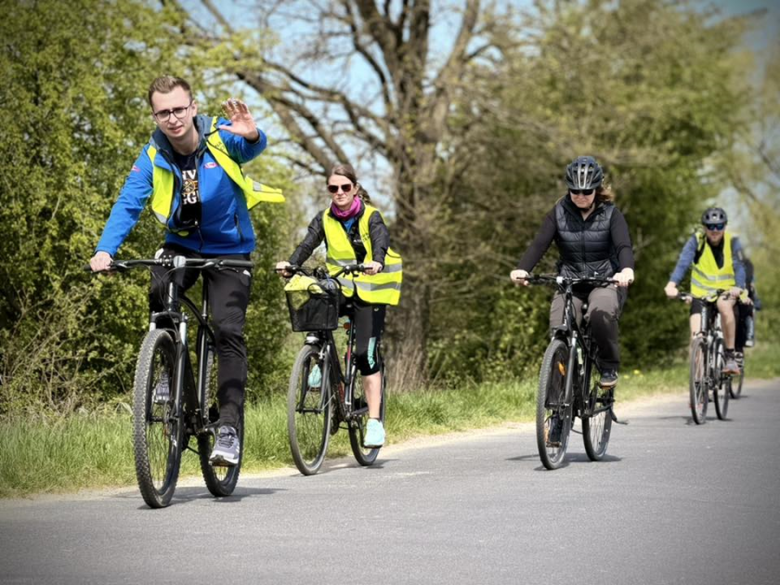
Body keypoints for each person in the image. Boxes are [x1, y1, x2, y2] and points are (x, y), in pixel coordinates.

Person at [90, 75, 280, 466]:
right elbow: (129, 202)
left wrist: (253, 134)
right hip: (183, 243)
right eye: (164, 112)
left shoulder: (218, 135)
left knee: (228, 330)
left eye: (179, 109)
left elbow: (249, 147)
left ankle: (228, 428)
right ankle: (167, 368)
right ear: (155, 116)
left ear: (193, 108)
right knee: (160, 287)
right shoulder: (153, 155)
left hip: (231, 249)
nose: (173, 118)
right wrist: (106, 250)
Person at [276, 164, 402, 448]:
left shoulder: (371, 216)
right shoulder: (324, 218)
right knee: (317, 308)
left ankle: (374, 422)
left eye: (345, 187)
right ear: (329, 191)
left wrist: (377, 261)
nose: (340, 192)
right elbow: (308, 243)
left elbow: (381, 240)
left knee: (363, 354)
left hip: (373, 289)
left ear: (355, 188)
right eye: (334, 188)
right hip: (344, 286)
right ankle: (320, 358)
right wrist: (292, 264)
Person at [509, 156, 635, 387]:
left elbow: (623, 246)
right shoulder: (558, 212)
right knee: (559, 329)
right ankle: (557, 408)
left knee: (600, 312)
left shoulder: (611, 214)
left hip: (604, 281)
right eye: (575, 190)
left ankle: (608, 366)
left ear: (596, 190)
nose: (580, 196)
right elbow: (539, 244)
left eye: (587, 192)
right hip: (571, 283)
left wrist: (626, 270)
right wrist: (522, 269)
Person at [664, 207, 744, 374]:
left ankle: (730, 356)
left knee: (724, 307)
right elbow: (683, 263)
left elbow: (740, 267)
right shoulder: (697, 241)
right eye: (710, 226)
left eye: (719, 226)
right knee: (696, 337)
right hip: (700, 294)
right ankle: (699, 385)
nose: (714, 231)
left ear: (725, 226)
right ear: (704, 227)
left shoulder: (732, 242)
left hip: (725, 292)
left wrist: (739, 287)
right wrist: (672, 284)